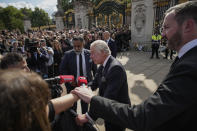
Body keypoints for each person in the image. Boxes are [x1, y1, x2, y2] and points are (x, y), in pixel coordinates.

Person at [72, 1, 197, 131]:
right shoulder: (185, 58)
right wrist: (85, 89)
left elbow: (144, 116)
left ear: (188, 26)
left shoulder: (191, 66)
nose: (163, 34)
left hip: (118, 116)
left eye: (166, 27)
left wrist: (91, 102)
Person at [0, 52, 79, 122]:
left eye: (27, 66)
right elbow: (47, 110)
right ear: (9, 71)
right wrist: (77, 94)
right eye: (23, 68)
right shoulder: (10, 95)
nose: (28, 70)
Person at [76, 40, 130, 131]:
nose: (91, 56)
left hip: (117, 115)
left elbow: (107, 98)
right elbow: (94, 83)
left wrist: (89, 116)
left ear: (103, 52)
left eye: (93, 53)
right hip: (109, 111)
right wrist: (82, 89)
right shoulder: (103, 65)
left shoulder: (115, 68)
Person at [59, 36, 97, 114]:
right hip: (72, 85)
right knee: (72, 106)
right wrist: (70, 81)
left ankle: (84, 122)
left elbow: (95, 69)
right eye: (74, 46)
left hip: (86, 84)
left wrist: (94, 83)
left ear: (83, 44)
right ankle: (74, 122)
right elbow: (62, 69)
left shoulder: (89, 54)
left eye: (79, 46)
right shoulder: (67, 55)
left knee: (85, 105)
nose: (76, 48)